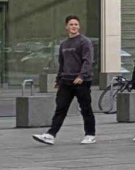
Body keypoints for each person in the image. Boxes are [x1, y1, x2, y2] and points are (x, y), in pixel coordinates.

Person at [32, 15, 97, 146]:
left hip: (81, 81)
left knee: (86, 108)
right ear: (66, 27)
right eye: (71, 24)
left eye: (76, 24)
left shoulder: (84, 42)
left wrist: (81, 76)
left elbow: (88, 60)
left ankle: (90, 134)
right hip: (66, 81)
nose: (74, 26)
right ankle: (50, 135)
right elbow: (62, 63)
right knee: (60, 108)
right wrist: (58, 79)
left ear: (79, 26)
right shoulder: (64, 44)